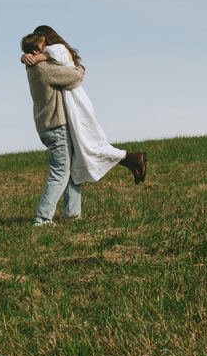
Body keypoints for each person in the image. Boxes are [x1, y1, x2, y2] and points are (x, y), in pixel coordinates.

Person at [21, 26, 147, 226]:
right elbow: (73, 78)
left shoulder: (35, 66)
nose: (48, 49)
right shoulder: (43, 68)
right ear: (35, 51)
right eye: (43, 46)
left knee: (71, 169)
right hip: (57, 127)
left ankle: (73, 215)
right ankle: (43, 217)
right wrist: (79, 69)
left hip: (49, 126)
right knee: (60, 172)